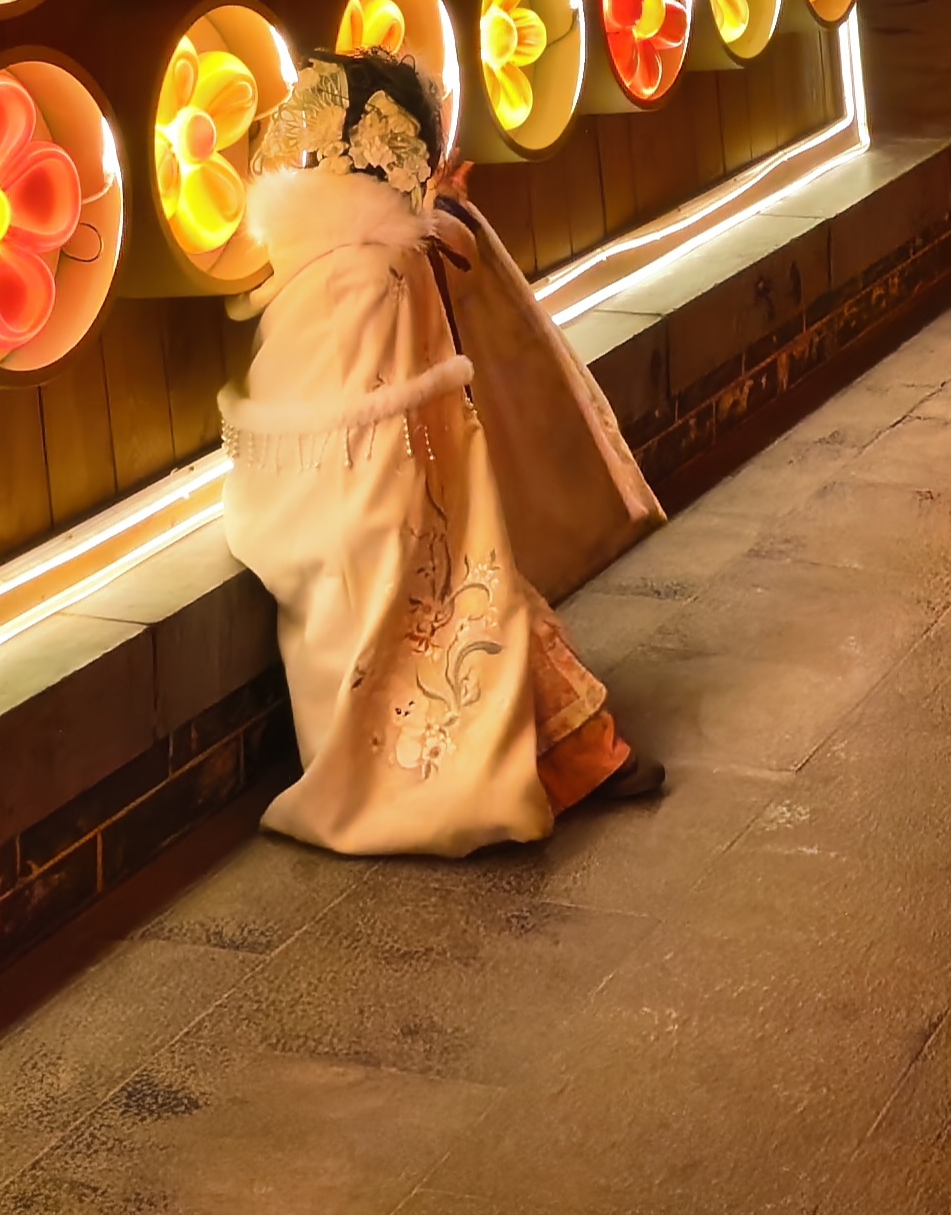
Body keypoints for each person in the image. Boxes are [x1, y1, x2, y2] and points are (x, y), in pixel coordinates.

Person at [220, 50, 667, 853]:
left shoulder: (352, 256)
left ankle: (577, 756)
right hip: (403, 485)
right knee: (474, 615)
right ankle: (578, 756)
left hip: (383, 489)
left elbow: (328, 387)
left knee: (466, 618)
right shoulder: (388, 252)